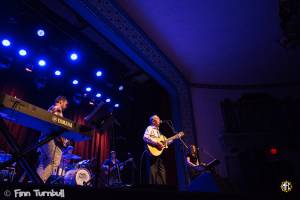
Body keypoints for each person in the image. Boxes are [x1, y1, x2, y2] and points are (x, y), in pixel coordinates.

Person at [36, 96, 69, 183]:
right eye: (66, 104)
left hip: (43, 138)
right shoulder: (58, 108)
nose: (66, 106)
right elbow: (57, 126)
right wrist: (64, 141)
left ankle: (35, 180)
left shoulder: (51, 108)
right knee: (55, 161)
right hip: (49, 139)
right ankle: (40, 182)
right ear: (61, 101)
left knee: (44, 163)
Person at [143, 115, 174, 185]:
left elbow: (164, 143)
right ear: (153, 121)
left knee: (162, 174)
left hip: (159, 155)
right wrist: (156, 143)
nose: (160, 119)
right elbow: (145, 137)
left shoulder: (159, 132)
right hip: (152, 154)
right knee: (153, 175)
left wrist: (174, 138)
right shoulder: (150, 128)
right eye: (158, 118)